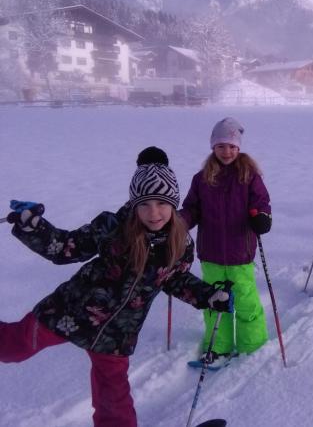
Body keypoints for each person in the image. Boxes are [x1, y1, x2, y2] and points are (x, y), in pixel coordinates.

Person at [1, 164, 232, 427]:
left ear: (173, 203)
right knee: (14, 347)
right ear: (134, 204)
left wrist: (208, 296)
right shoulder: (112, 227)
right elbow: (65, 248)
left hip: (117, 333)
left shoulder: (180, 244)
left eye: (161, 203)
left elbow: (175, 279)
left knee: (114, 402)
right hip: (70, 312)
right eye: (144, 204)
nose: (153, 212)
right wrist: (35, 227)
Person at [180, 117, 272, 364]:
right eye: (221, 146)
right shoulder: (202, 178)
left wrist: (262, 217)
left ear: (239, 147)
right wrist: (179, 223)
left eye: (232, 146)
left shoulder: (249, 176)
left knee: (245, 302)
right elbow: (192, 208)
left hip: (240, 253)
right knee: (214, 303)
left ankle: (252, 346)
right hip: (210, 254)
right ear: (213, 148)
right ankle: (219, 346)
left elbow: (261, 202)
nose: (227, 151)